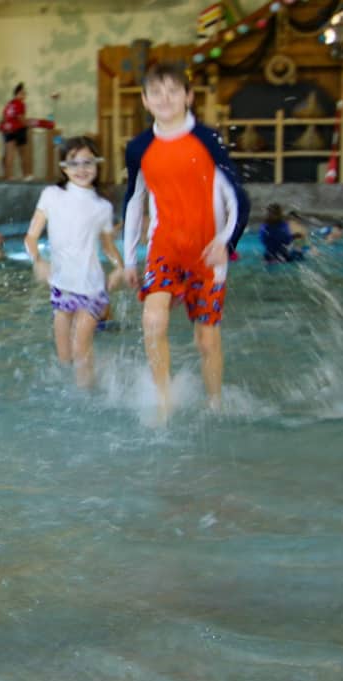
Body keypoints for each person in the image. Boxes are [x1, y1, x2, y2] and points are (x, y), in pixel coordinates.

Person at [120, 62, 249, 421]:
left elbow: (238, 198)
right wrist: (130, 259)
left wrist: (228, 240)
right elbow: (134, 200)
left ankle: (214, 405)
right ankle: (164, 400)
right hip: (165, 248)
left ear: (188, 97)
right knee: (153, 320)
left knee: (206, 340)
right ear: (145, 100)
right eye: (156, 93)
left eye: (173, 91)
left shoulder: (207, 140)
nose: (165, 99)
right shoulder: (139, 147)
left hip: (209, 253)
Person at [24, 136, 123, 388]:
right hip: (61, 287)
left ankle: (87, 402)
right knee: (65, 357)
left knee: (80, 349)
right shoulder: (51, 195)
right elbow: (31, 237)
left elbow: (108, 246)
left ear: (98, 164)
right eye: (74, 163)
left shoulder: (102, 207)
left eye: (88, 162)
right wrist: (37, 260)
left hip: (91, 287)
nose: (82, 169)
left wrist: (119, 268)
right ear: (64, 167)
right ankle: (94, 380)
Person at [0, 83, 29, 180]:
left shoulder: (9, 104)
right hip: (18, 130)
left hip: (7, 129)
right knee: (23, 154)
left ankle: (8, 176)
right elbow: (20, 118)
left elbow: (4, 117)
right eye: (23, 93)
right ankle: (26, 175)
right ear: (18, 93)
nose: (24, 95)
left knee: (9, 154)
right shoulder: (20, 104)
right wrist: (28, 124)